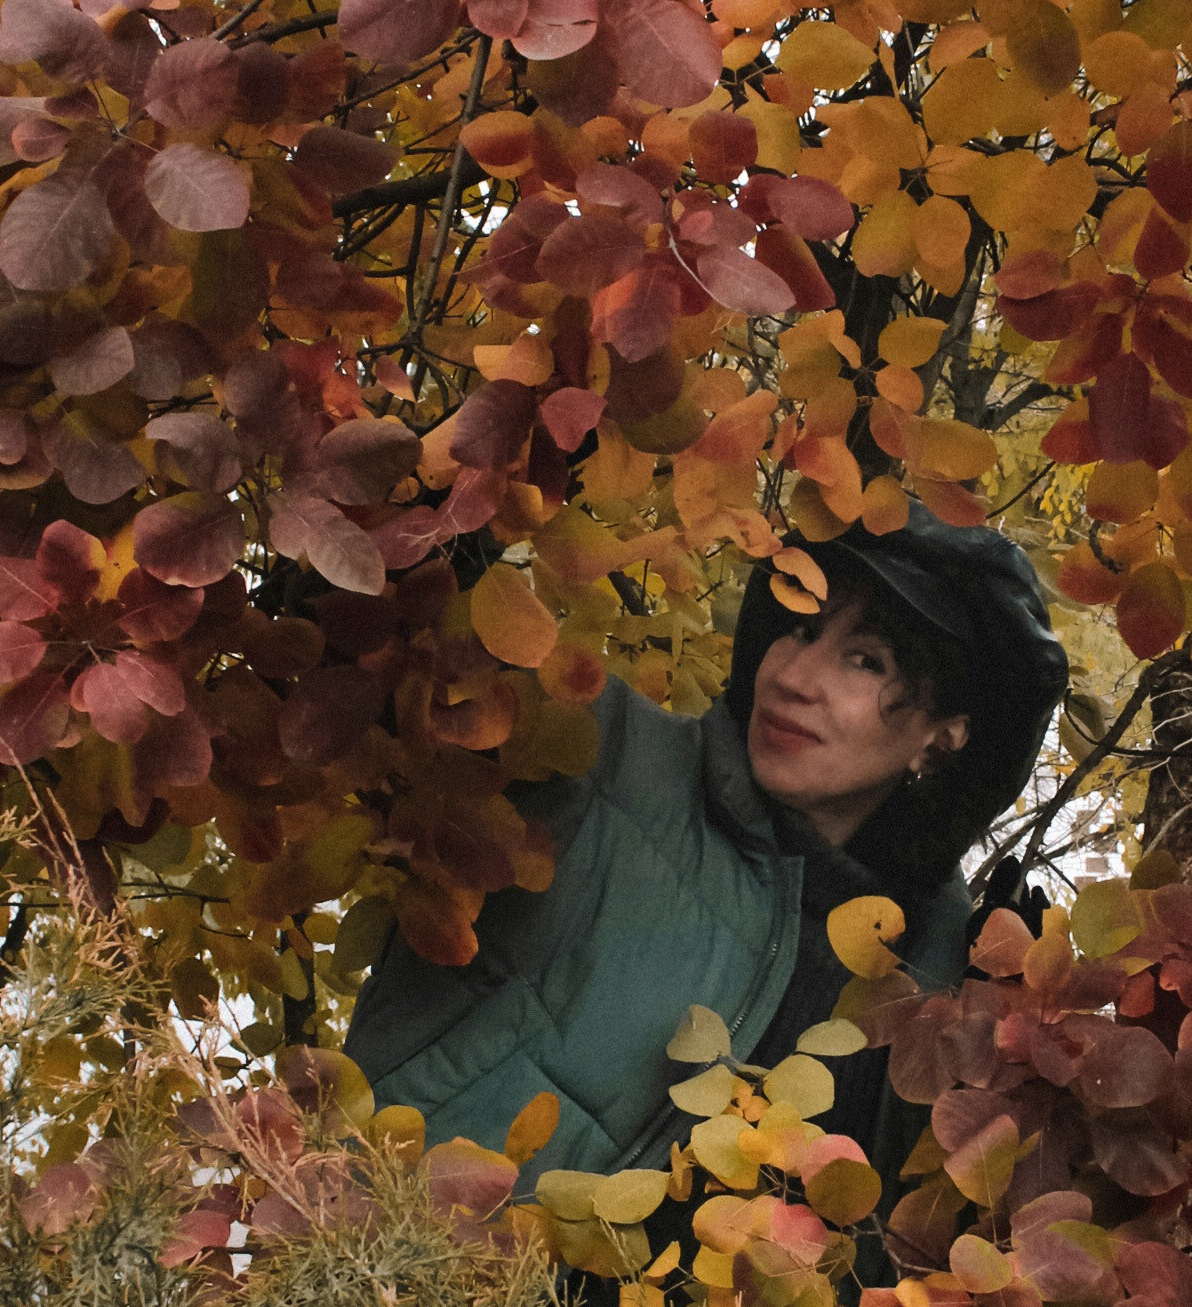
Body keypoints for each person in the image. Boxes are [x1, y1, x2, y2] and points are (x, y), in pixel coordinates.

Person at [344, 503, 1070, 1203]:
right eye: (801, 630)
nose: (793, 677)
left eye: (864, 660)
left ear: (944, 737)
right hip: (376, 1281)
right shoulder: (602, 750)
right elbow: (369, 650)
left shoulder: (929, 980)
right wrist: (460, 504)